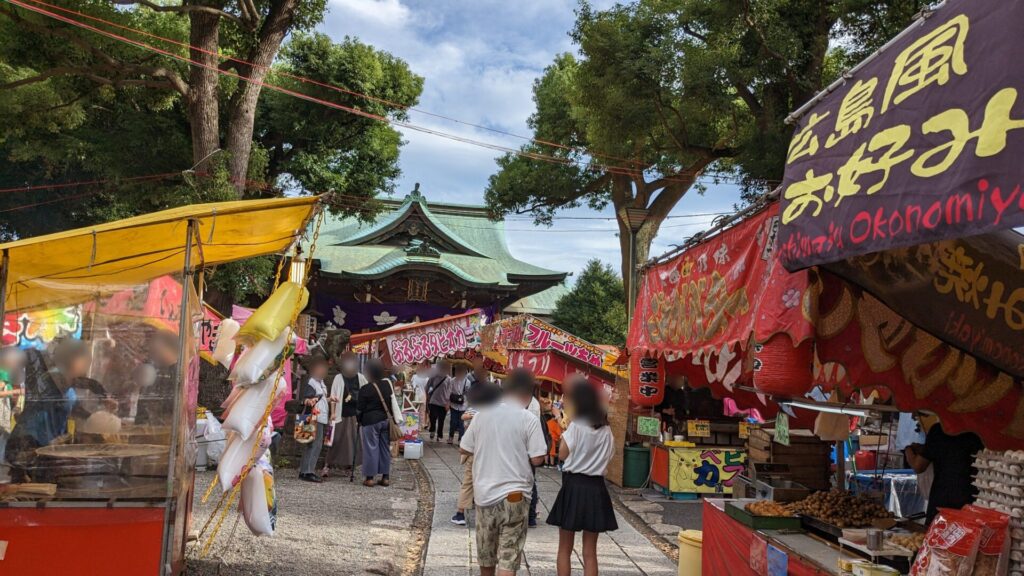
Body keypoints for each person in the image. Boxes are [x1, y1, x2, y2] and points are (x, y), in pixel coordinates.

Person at [460, 368, 547, 576]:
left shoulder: (482, 416)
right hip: (516, 496)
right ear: (526, 395)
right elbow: (537, 458)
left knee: (486, 554)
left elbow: (464, 447)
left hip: (485, 495)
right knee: (508, 556)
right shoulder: (529, 419)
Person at [547, 381, 618, 576]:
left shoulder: (576, 427)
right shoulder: (606, 430)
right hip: (596, 488)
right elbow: (609, 456)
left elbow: (562, 455)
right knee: (590, 552)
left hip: (573, 486)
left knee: (565, 548)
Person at [905, 422, 984, 524]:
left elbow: (918, 466)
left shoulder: (939, 429)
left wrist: (908, 449)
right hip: (971, 501)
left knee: (936, 537)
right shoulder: (978, 430)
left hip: (942, 501)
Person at [451, 381, 502, 526]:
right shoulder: (497, 412)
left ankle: (460, 513)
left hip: (474, 451)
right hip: (491, 453)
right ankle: (487, 513)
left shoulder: (476, 410)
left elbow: (464, 445)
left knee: (468, 482)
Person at [325, 352, 366, 477]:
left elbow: (366, 392)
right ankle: (328, 464)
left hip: (354, 414)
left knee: (352, 441)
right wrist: (332, 412)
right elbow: (333, 394)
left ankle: (349, 466)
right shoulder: (338, 377)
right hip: (339, 413)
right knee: (335, 440)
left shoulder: (360, 377)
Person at [357, 360, 395, 487]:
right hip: (385, 420)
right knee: (384, 448)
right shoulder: (387, 385)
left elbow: (360, 408)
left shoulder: (365, 389)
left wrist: (359, 420)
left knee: (371, 448)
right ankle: (385, 477)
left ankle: (370, 478)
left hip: (370, 421)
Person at [298, 356, 330, 483]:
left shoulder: (320, 383)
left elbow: (320, 399)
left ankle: (306, 470)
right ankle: (308, 471)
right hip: (314, 416)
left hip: (319, 416)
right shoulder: (312, 382)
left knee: (312, 444)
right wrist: (309, 400)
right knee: (314, 445)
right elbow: (306, 398)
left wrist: (330, 399)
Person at [426, 360, 451, 442]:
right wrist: (427, 395)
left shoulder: (448, 379)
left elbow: (449, 391)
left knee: (441, 420)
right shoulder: (434, 376)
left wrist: (448, 403)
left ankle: (439, 435)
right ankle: (432, 430)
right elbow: (427, 386)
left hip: (443, 403)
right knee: (432, 418)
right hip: (433, 401)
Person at [447, 363, 471, 445]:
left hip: (463, 405)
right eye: (457, 371)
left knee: (461, 423)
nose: (458, 373)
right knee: (453, 422)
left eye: (460, 371)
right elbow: (449, 391)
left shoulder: (467, 382)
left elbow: (468, 393)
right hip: (453, 405)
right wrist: (447, 402)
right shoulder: (452, 381)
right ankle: (451, 437)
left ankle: (461, 439)